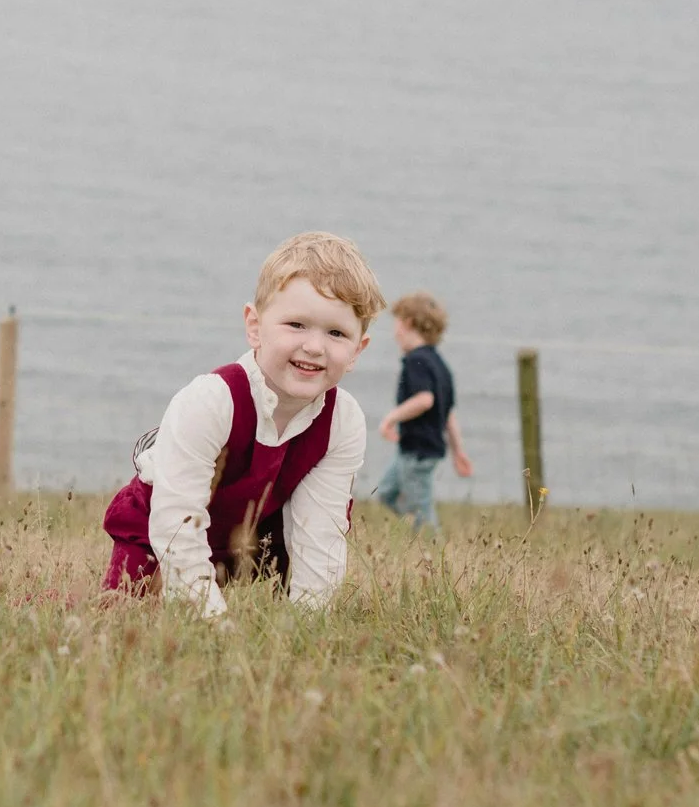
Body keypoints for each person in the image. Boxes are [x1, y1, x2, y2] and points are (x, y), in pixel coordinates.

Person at [101, 233, 387, 615]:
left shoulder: (343, 420)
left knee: (304, 572)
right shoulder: (211, 400)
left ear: (357, 350)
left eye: (336, 333)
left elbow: (321, 534)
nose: (315, 347)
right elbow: (175, 522)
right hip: (157, 533)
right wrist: (210, 619)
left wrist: (305, 627)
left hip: (251, 542)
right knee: (121, 613)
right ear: (254, 326)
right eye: (296, 325)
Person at [372, 292, 469, 532]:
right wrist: (459, 452)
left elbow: (425, 400)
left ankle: (432, 548)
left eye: (396, 324)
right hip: (412, 449)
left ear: (407, 323)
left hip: (419, 452)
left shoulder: (416, 360)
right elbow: (448, 414)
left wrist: (390, 419)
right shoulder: (439, 364)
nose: (395, 332)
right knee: (386, 493)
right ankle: (416, 530)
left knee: (422, 511)